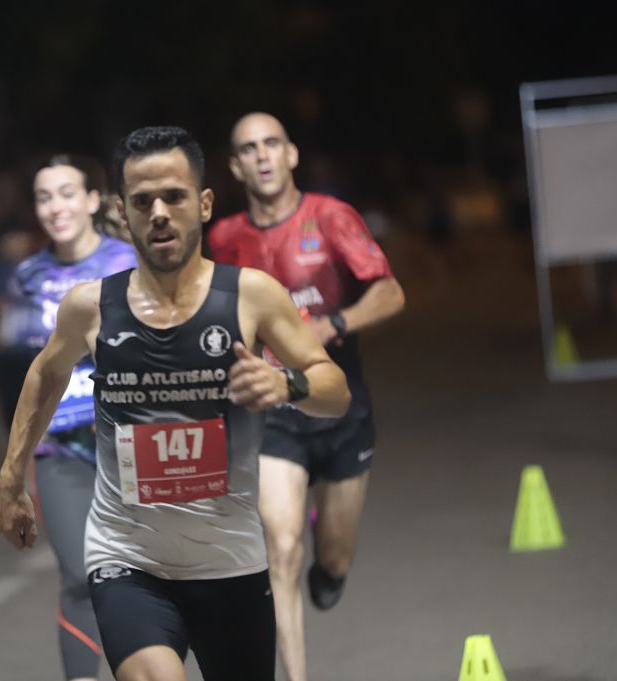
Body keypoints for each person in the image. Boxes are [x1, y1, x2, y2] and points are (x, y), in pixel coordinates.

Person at [0, 126, 351, 681]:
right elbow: (45, 376)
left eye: (174, 197)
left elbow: (334, 392)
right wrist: (11, 478)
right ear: (123, 211)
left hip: (229, 562)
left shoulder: (250, 296)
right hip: (127, 561)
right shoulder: (91, 308)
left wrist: (287, 386)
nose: (159, 212)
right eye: (142, 201)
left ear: (204, 204)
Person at [209, 112, 405, 681]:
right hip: (275, 415)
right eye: (249, 148)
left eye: (272, 144)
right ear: (235, 165)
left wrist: (330, 325)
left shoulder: (330, 216)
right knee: (281, 549)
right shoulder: (224, 239)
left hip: (340, 405)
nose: (262, 156)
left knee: (331, 559)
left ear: (291, 154)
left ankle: (332, 566)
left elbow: (390, 292)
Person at [0, 154, 137, 681]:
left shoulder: (127, 260)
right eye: (43, 196)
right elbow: (18, 365)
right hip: (58, 448)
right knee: (80, 576)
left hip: (127, 444)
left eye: (66, 193)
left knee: (138, 574)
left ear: (93, 200)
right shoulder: (27, 276)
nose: (55, 206)